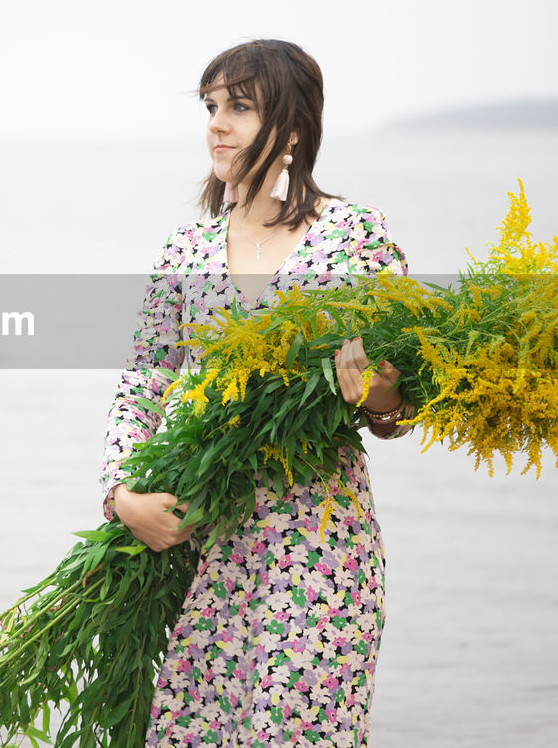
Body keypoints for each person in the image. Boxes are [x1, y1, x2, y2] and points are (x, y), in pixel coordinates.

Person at [100, 39, 414, 747]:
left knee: (299, 732)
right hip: (205, 540)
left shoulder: (353, 238)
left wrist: (382, 393)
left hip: (321, 545)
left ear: (295, 125)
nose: (217, 123)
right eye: (212, 106)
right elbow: (143, 382)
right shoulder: (186, 249)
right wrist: (122, 496)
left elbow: (396, 411)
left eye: (240, 106)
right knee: (192, 731)